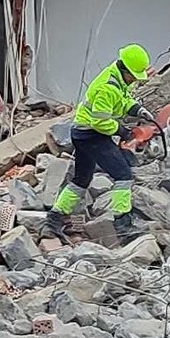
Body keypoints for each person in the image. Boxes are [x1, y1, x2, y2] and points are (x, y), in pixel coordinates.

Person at [47, 44, 153, 240]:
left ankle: (54, 218)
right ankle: (123, 226)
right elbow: (99, 121)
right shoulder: (107, 87)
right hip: (92, 134)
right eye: (134, 76)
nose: (135, 80)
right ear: (126, 70)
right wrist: (123, 131)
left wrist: (138, 109)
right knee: (123, 176)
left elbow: (123, 99)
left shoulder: (116, 76)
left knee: (81, 180)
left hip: (82, 133)